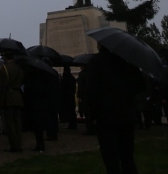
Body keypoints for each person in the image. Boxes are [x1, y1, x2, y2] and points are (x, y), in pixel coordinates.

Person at [84, 45, 143, 174]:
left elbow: (91, 90)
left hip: (106, 115)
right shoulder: (126, 61)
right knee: (127, 155)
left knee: (110, 156)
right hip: (127, 113)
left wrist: (92, 115)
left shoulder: (96, 62)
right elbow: (140, 85)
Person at [0, 51, 25, 153]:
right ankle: (19, 143)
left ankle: (14, 145)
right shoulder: (19, 68)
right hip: (18, 96)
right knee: (18, 122)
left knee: (9, 123)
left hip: (8, 97)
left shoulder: (3, 69)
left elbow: (2, 86)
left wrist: (1, 100)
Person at [60, 65, 78, 130]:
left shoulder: (65, 79)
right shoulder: (72, 78)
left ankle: (71, 125)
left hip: (66, 97)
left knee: (69, 111)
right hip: (71, 96)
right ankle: (73, 124)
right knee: (72, 111)